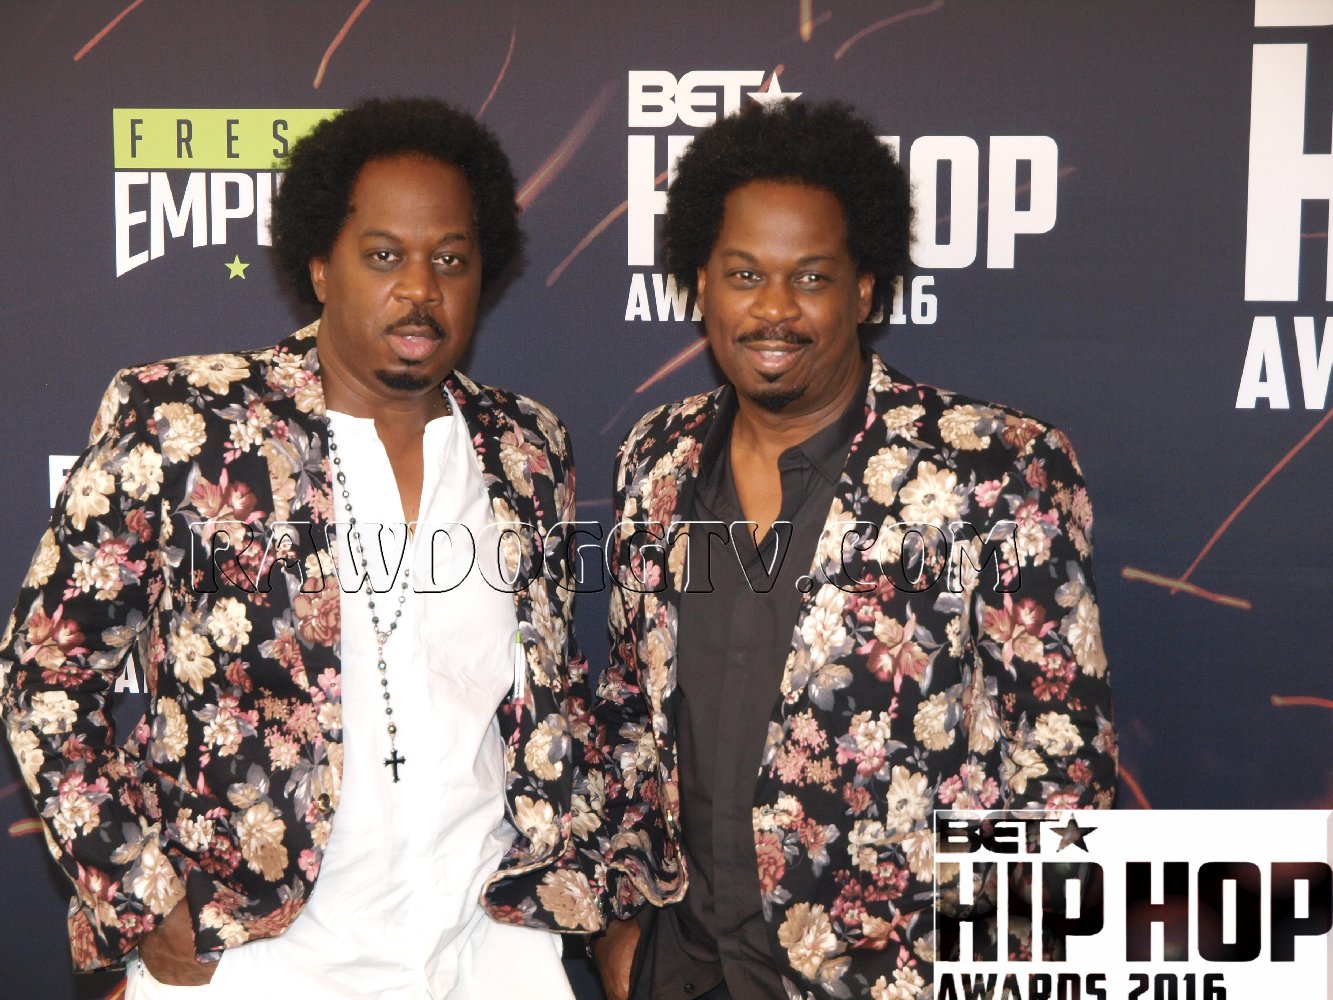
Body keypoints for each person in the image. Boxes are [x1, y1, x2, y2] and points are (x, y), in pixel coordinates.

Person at [0, 96, 601, 998]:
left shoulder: (526, 447)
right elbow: (47, 670)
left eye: (450, 259)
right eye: (384, 255)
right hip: (255, 957)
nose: (420, 289)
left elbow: (551, 694)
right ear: (321, 266)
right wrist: (137, 892)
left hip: (483, 947)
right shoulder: (189, 423)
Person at [586, 100, 1116, 1000]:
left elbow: (1061, 776)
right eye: (744, 274)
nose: (774, 309)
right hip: (685, 972)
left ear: (864, 290)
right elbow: (632, 713)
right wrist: (620, 933)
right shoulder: (656, 458)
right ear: (700, 285)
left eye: (811, 277)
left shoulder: (996, 467)